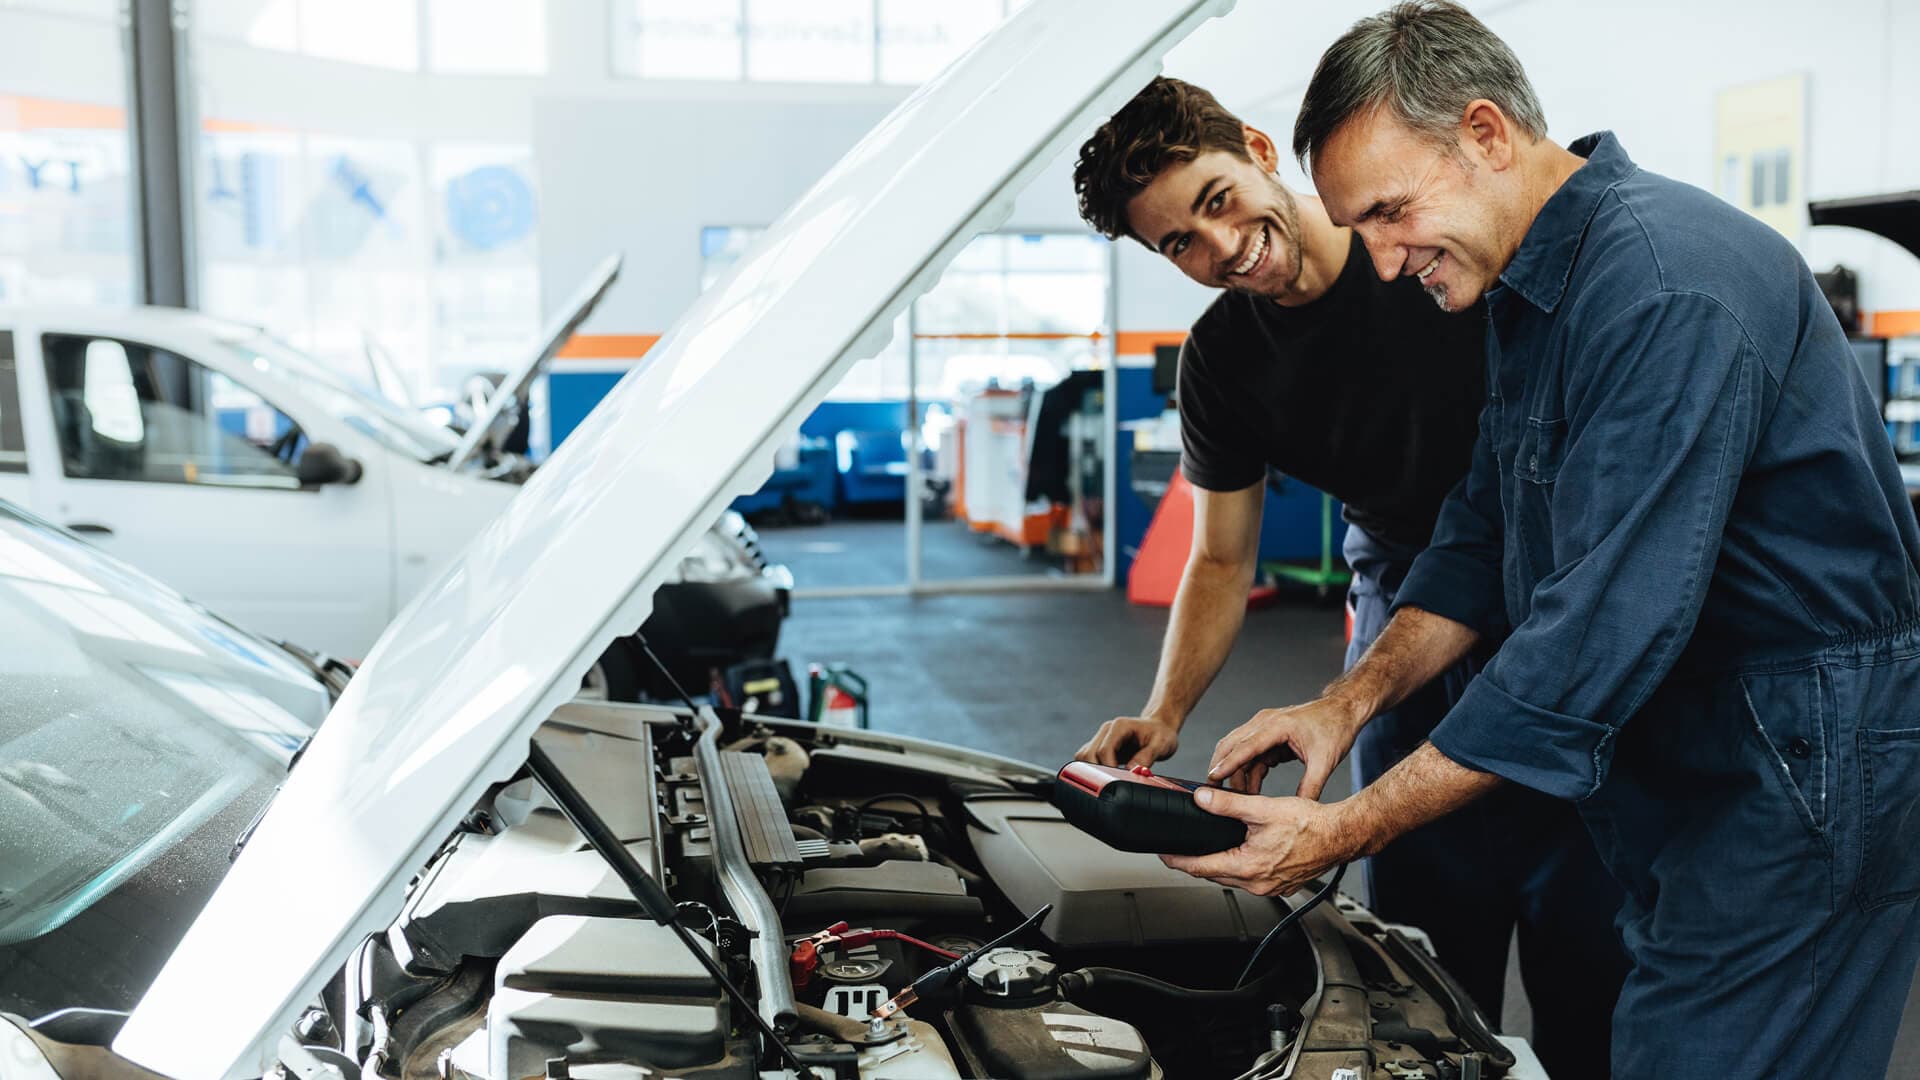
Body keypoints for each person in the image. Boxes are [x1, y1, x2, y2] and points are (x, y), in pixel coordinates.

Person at [1173, 4, 1920, 1075]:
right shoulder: (1534, 292)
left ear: (1485, 133)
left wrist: (1347, 830)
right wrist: (1344, 702)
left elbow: (1592, 637)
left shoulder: (1663, 289)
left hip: (1800, 751)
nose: (1380, 263)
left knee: (1694, 1053)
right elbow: (1480, 537)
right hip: (1702, 739)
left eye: (1389, 212)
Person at [1068, 77, 1624, 1076]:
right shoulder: (1224, 362)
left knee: (1585, 928)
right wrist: (1167, 711)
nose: (1221, 244)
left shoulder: (1423, 250)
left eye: (1216, 197)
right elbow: (1221, 554)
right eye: (1179, 244)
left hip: (1552, 580)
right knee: (1422, 943)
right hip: (1404, 602)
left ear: (1257, 149)